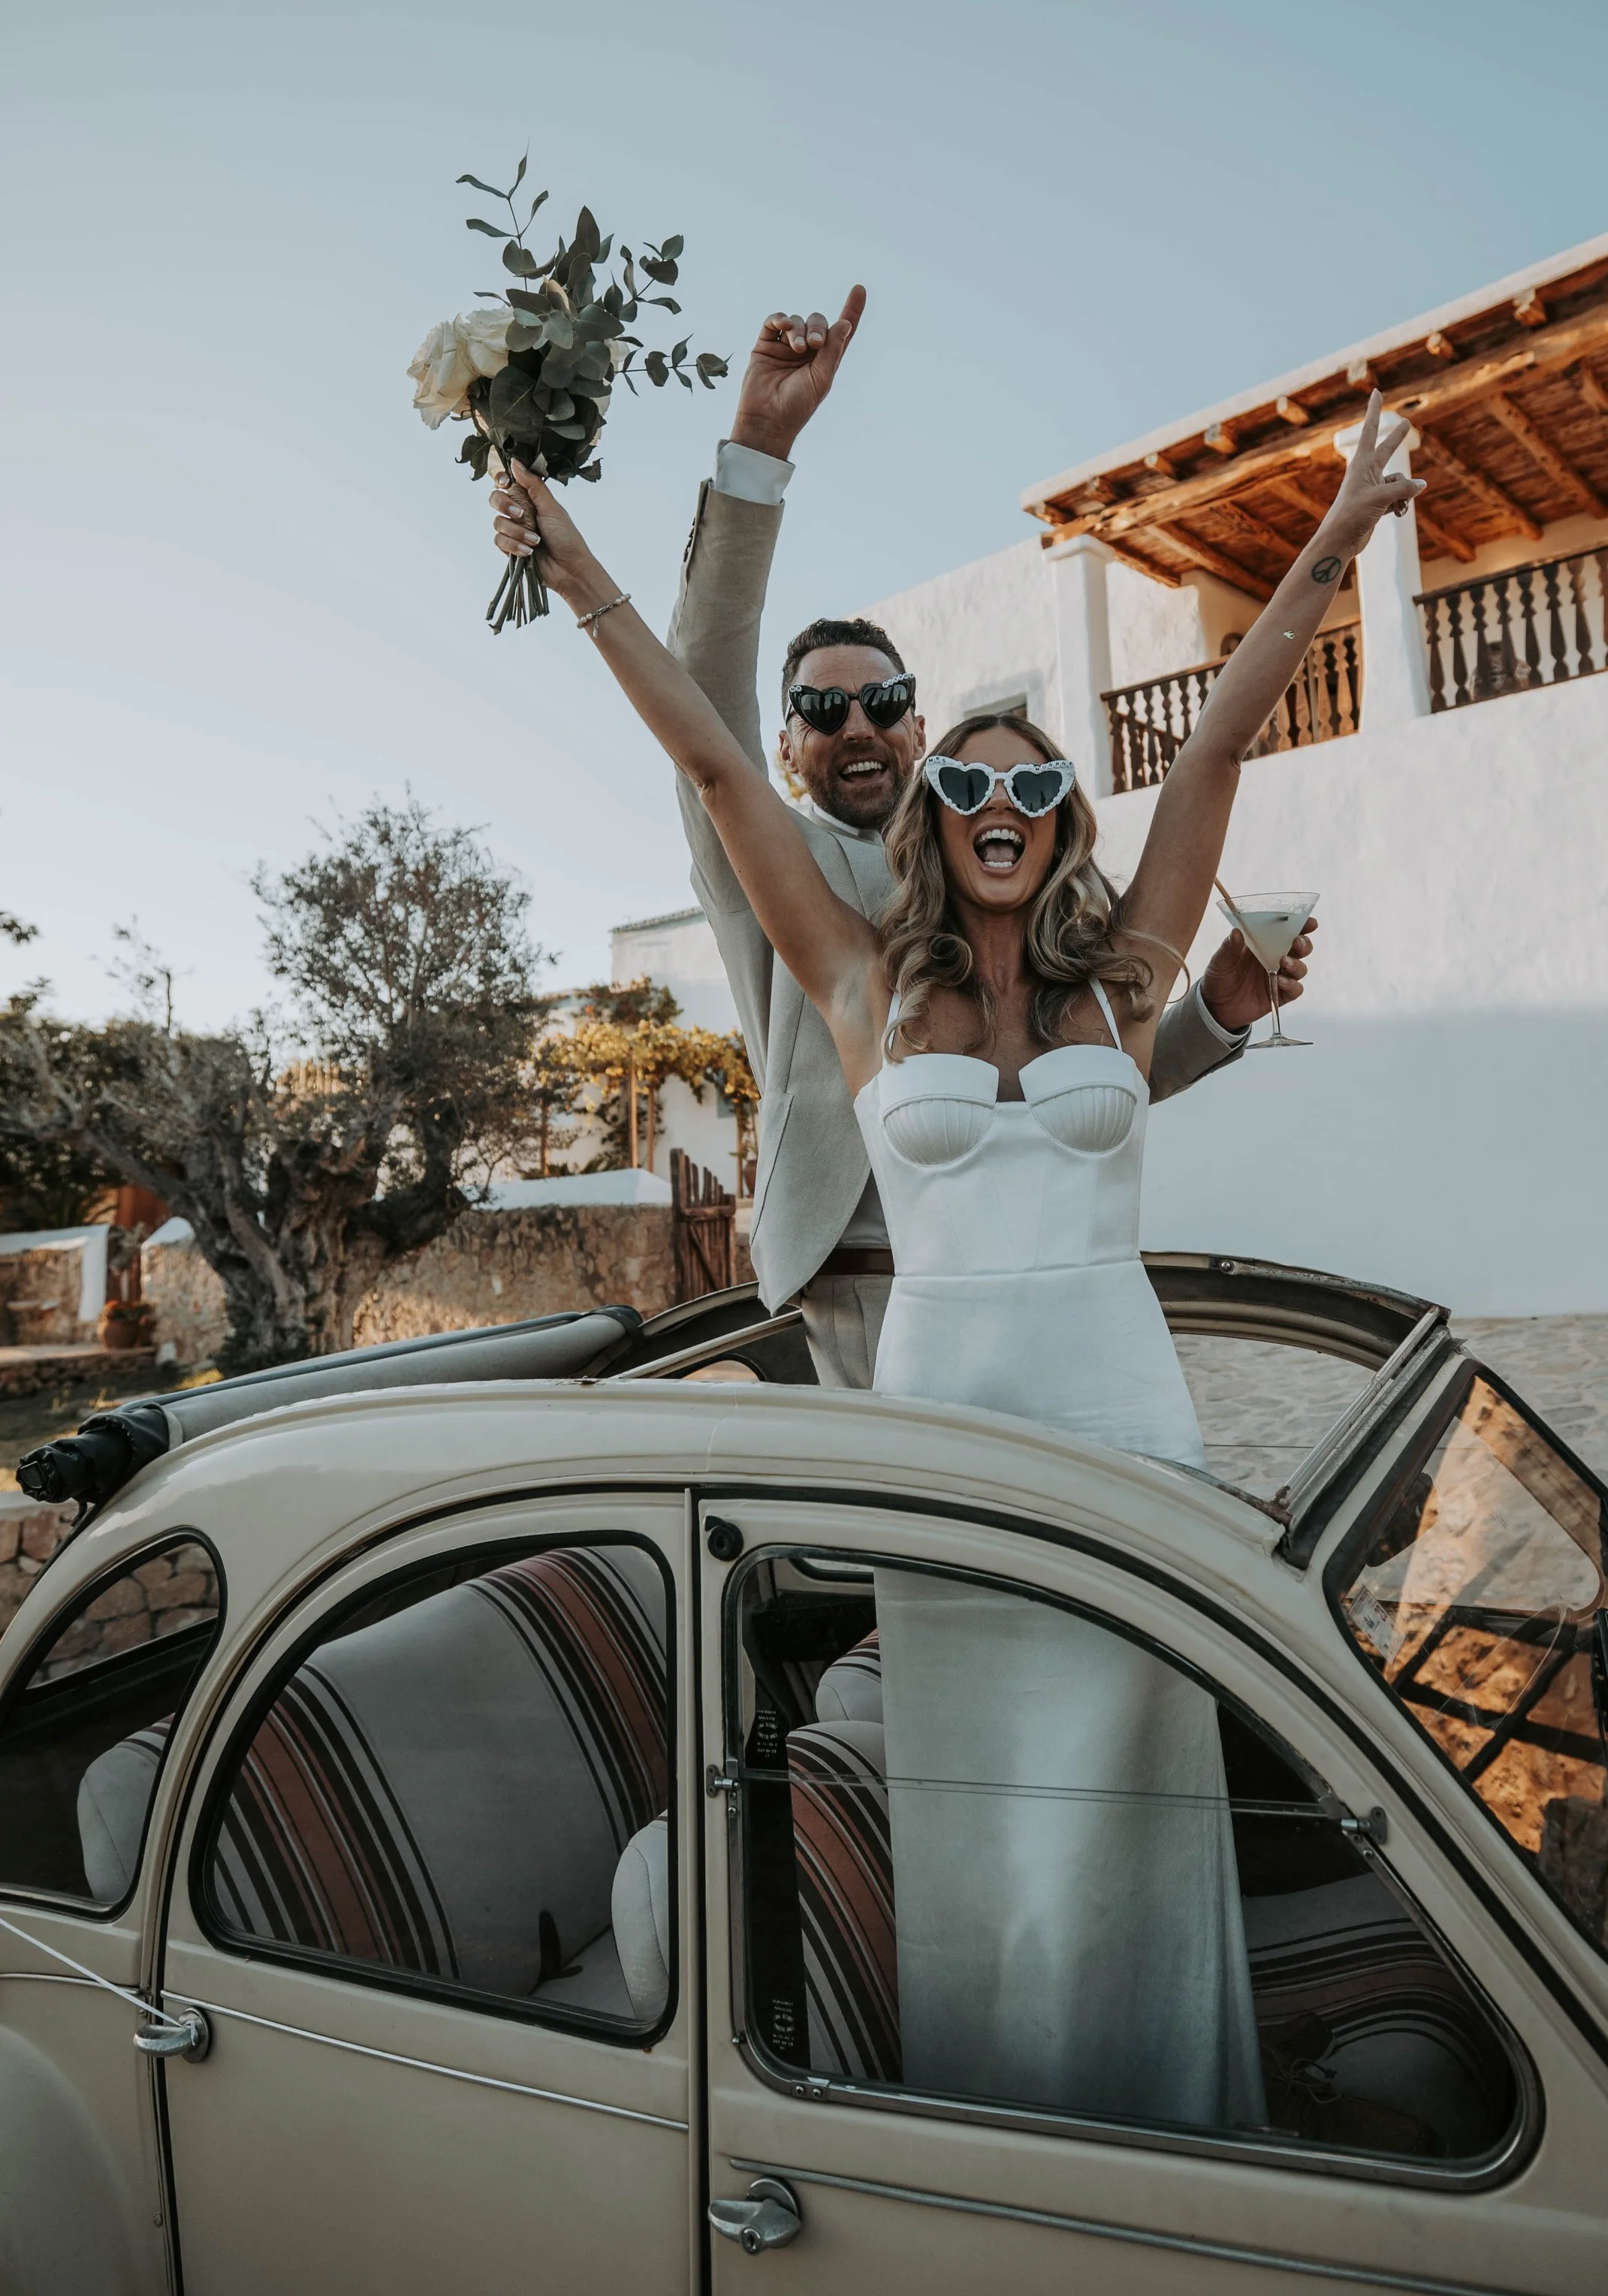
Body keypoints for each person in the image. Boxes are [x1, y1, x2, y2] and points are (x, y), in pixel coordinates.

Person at [487, 359, 1422, 2132]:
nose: (996, 805)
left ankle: (1182, 2134)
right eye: (966, 788)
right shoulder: (852, 980)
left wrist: (1335, 530)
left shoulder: (1117, 981)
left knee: (1141, 1811)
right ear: (930, 821)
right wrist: (575, 555)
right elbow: (698, 742)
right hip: (937, 1438)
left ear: (1064, 816)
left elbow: (1216, 737)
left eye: (1030, 782)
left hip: (1124, 1426)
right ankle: (998, 2147)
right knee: (983, 1806)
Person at [653, 287, 1312, 1388]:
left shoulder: (1027, 868)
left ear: (922, 723)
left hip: (1039, 1285)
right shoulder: (769, 866)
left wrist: (1220, 1011)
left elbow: (1098, 1071)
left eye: (882, 701)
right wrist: (758, 450)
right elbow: (702, 692)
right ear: (784, 749)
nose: (855, 725)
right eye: (823, 712)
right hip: (859, 1300)